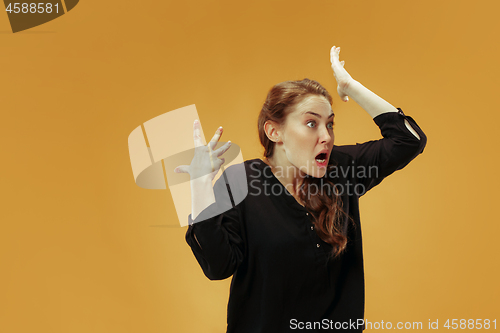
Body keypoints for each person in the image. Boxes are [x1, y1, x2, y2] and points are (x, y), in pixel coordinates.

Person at [174, 46, 427, 332]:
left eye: (330, 125)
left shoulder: (340, 169)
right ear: (274, 132)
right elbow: (218, 266)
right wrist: (200, 187)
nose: (326, 137)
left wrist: (350, 87)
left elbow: (409, 139)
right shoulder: (240, 182)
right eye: (311, 123)